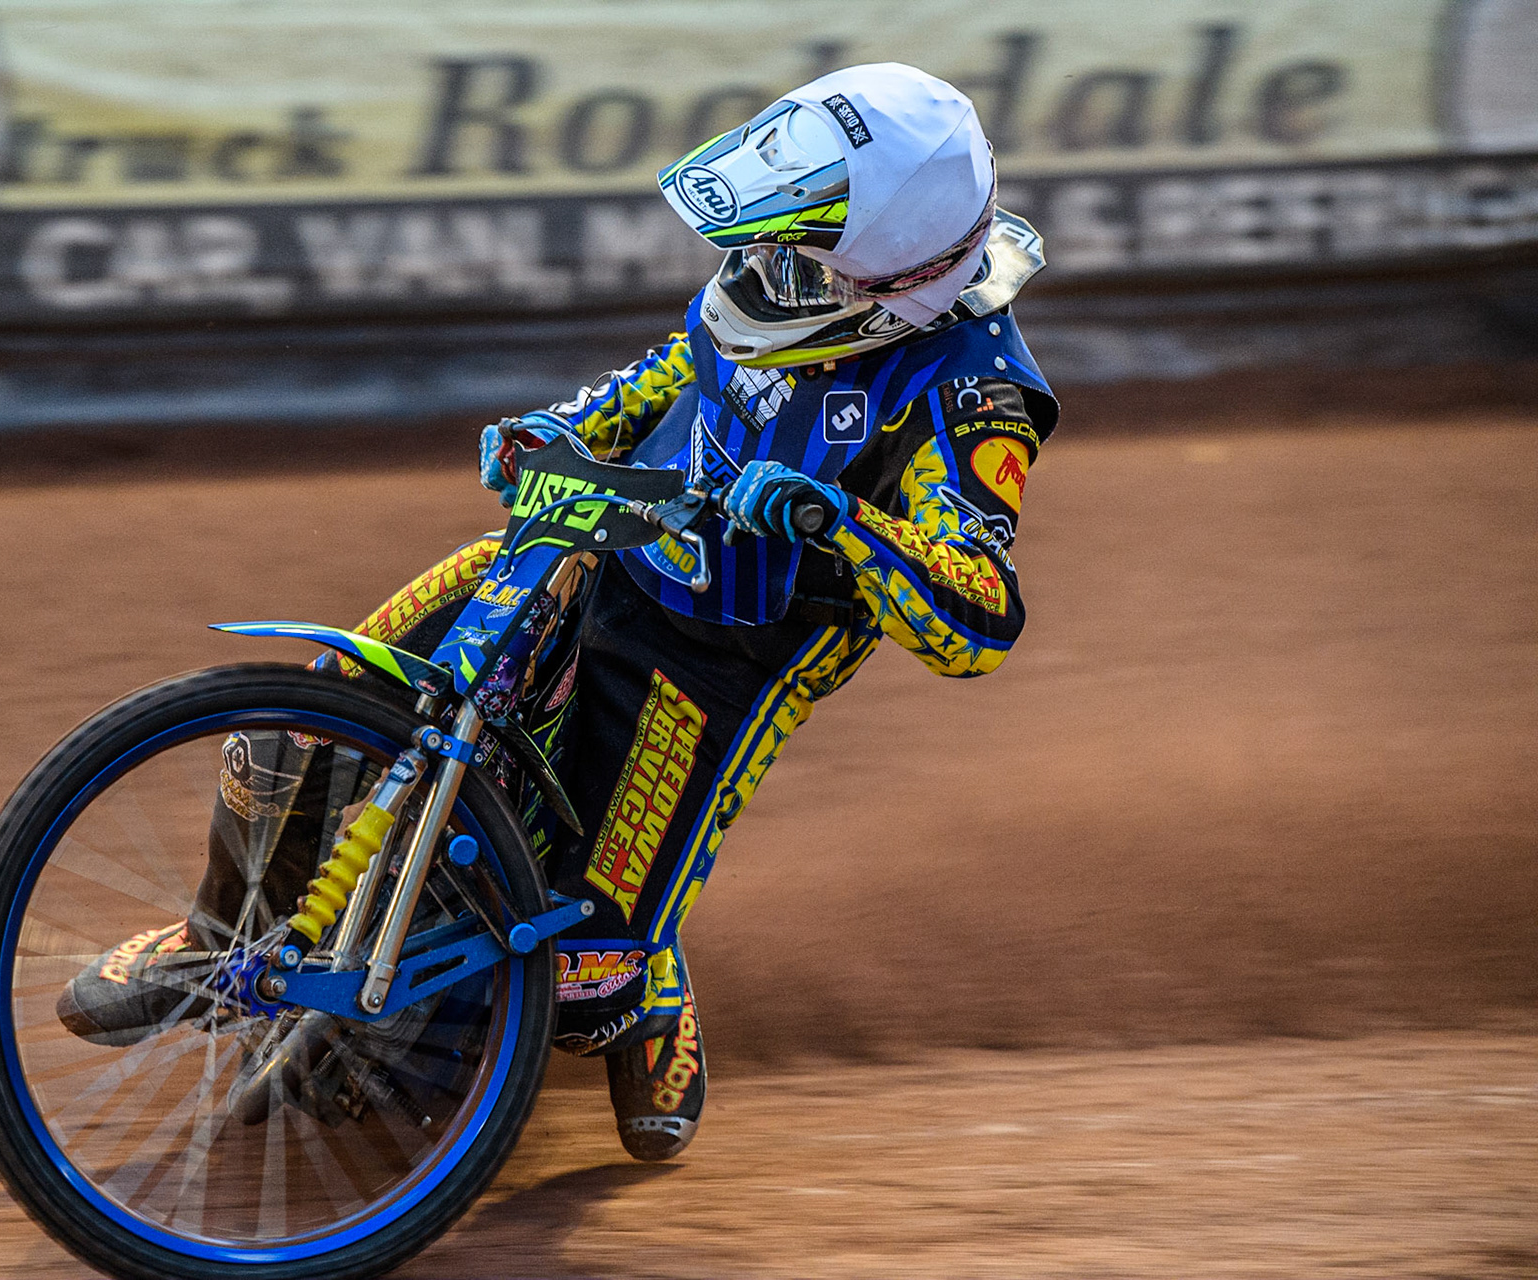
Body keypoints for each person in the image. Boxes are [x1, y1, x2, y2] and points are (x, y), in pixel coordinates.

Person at [54, 62, 1057, 1164]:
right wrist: (557, 427)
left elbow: (980, 618)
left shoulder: (976, 395)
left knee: (585, 986)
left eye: (797, 260)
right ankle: (212, 939)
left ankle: (644, 981)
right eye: (768, 245)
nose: (763, 272)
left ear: (889, 281)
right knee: (305, 728)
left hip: (715, 665)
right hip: (584, 551)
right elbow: (673, 370)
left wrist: (839, 524)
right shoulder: (775, 287)